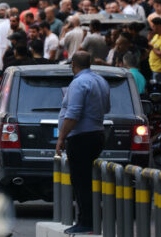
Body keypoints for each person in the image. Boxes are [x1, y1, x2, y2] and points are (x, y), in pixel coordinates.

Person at [55, 51, 110, 234]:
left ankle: (85, 221)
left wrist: (61, 137)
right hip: (97, 134)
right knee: (85, 180)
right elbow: (107, 107)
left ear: (73, 64)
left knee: (80, 181)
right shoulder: (100, 81)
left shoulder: (78, 83)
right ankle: (87, 220)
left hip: (81, 138)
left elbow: (73, 114)